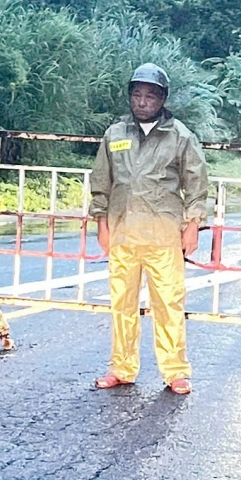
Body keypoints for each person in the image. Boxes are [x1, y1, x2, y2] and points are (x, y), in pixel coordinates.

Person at [89, 63, 209, 394]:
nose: (142, 102)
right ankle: (122, 367)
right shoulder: (115, 134)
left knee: (168, 303)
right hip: (123, 231)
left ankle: (175, 371)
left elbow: (196, 184)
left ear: (163, 99)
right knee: (121, 304)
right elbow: (102, 183)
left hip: (163, 234)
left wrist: (193, 225)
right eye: (137, 95)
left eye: (150, 96)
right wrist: (102, 223)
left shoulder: (180, 137)